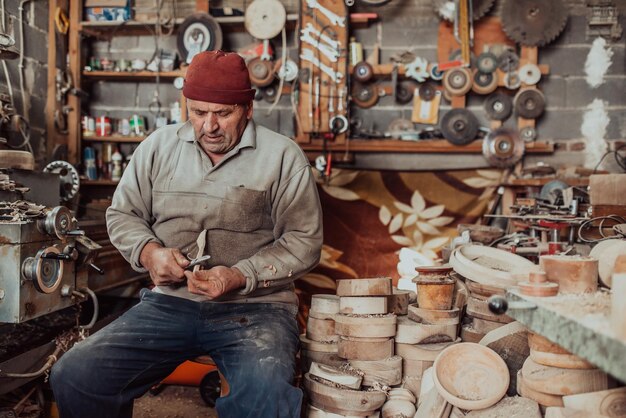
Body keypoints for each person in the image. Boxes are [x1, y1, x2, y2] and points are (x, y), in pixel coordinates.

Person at [50, 50, 323, 418]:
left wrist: (240, 275)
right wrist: (149, 253)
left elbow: (303, 241)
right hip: (169, 304)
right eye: (198, 112)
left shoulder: (283, 157)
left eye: (223, 114)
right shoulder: (158, 148)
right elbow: (122, 214)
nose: (209, 125)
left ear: (247, 108)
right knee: (76, 374)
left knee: (266, 397)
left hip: (256, 310)